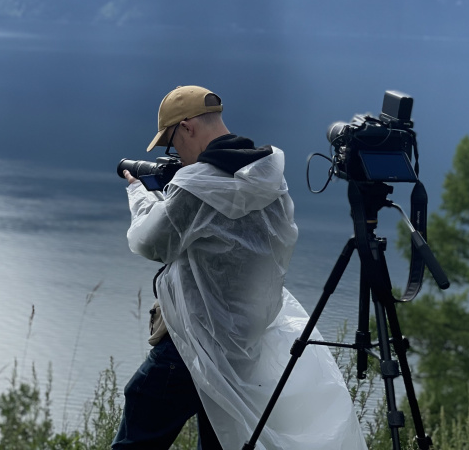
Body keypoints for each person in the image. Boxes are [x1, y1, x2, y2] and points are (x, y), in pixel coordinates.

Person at [113, 86, 366, 450]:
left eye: (172, 143)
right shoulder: (269, 176)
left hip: (194, 339)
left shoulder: (195, 186)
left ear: (187, 128)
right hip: (244, 344)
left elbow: (150, 243)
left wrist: (139, 193)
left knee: (141, 416)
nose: (177, 157)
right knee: (222, 437)